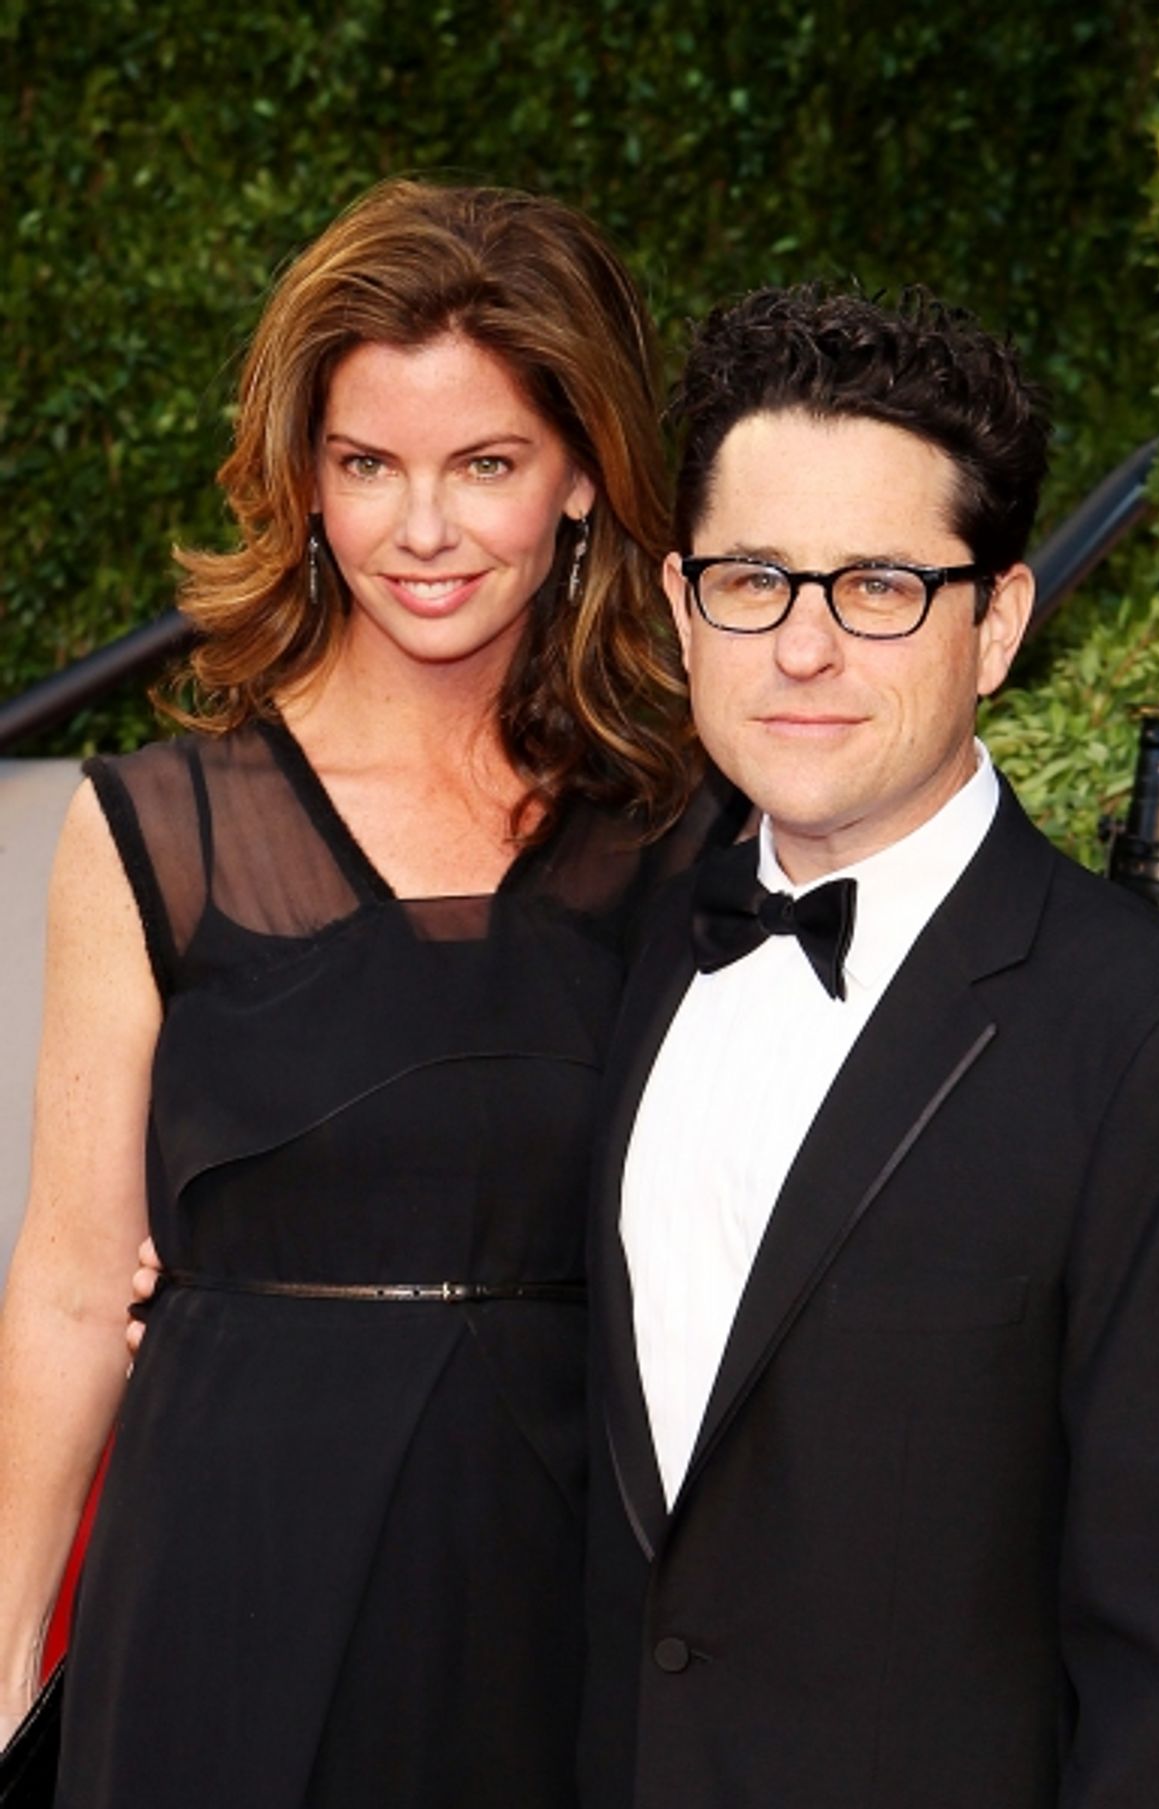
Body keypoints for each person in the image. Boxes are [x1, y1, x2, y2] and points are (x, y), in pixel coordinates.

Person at [0, 178, 738, 1808]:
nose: (422, 528)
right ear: (303, 478)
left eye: (485, 463)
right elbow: (65, 1287)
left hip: (571, 1590)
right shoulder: (154, 832)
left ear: (581, 482)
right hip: (223, 1580)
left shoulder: (691, 829)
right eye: (367, 465)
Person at [581, 286, 1159, 1808]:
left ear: (996, 621)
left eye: (877, 586)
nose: (802, 647)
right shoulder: (639, 946)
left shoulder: (1148, 1036)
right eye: (753, 579)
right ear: (678, 604)